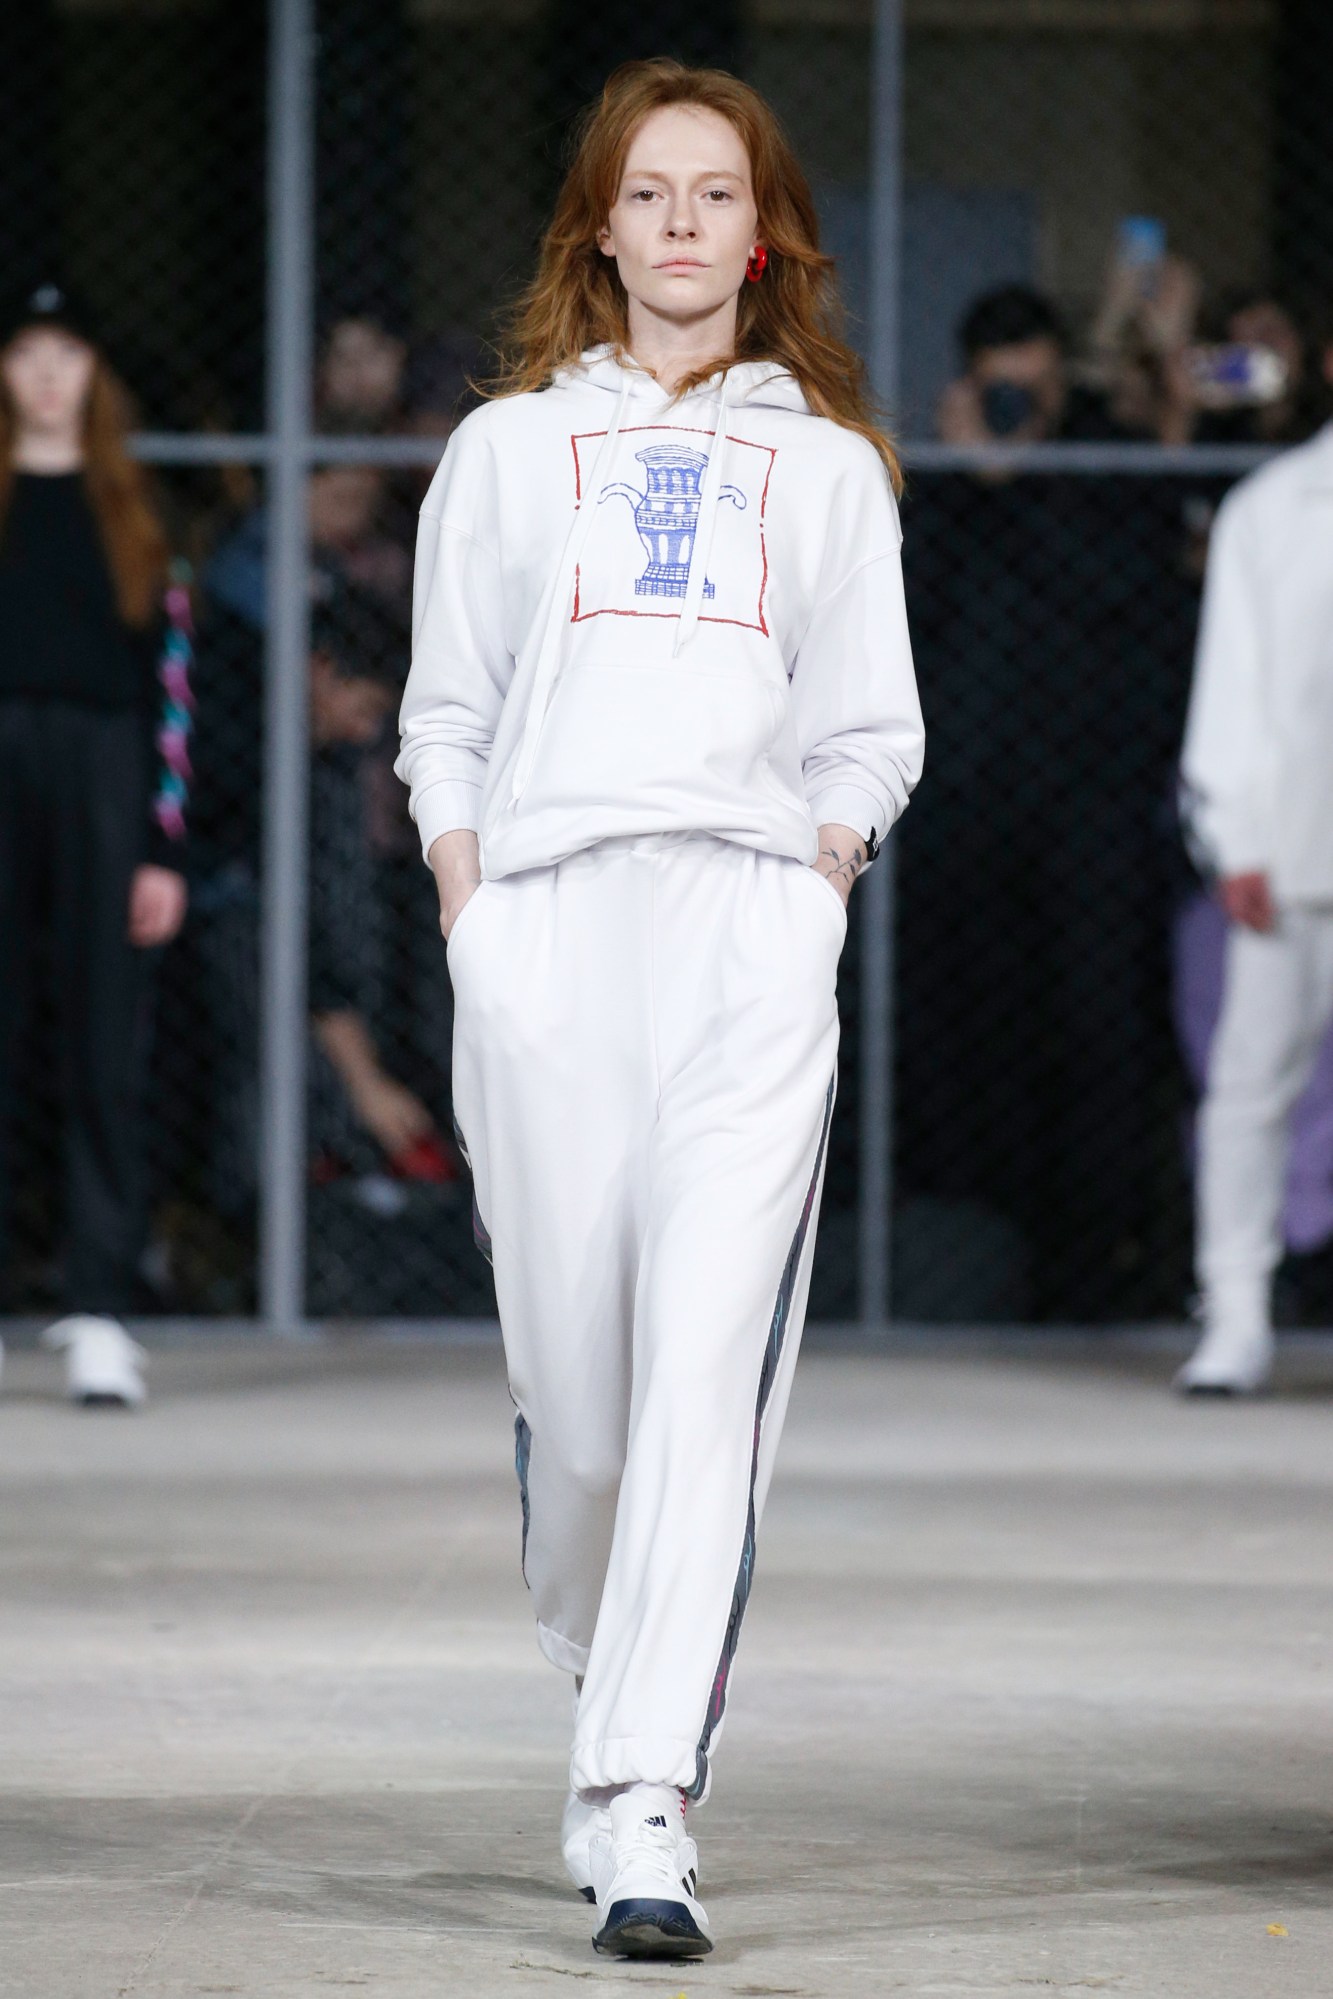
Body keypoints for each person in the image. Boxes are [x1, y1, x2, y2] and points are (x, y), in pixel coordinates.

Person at [395, 58, 922, 1959]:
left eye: (714, 192)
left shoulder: (830, 468)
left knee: (706, 1365)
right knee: (586, 1415)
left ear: (758, 231)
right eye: (648, 192)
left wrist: (814, 887)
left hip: (742, 938)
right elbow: (444, 710)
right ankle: (600, 1665)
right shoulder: (506, 452)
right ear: (599, 229)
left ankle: (642, 1799)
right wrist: (473, 905)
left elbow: (867, 726)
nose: (682, 221)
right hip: (546, 935)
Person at [0, 281, 193, 1406]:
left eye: (66, 353)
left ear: (92, 374)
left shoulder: (136, 510)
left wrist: (162, 846)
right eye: (26, 352)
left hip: (105, 774)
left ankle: (100, 1304)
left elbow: (172, 688)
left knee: (103, 1038)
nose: (45, 374)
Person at [1176, 323, 1333, 1394]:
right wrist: (1230, 832)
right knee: (1246, 1088)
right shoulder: (1270, 508)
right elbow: (1229, 681)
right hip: (1292, 852)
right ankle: (1232, 1317)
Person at [189, 586, 447, 1226]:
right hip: (243, 978)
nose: (367, 731)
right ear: (320, 669)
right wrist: (364, 1082)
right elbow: (301, 933)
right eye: (363, 708)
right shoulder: (243, 757)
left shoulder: (332, 768)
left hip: (320, 991)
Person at [936, 283, 1136, 448]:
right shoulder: (956, 450)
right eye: (1008, 392)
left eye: (1039, 389)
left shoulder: (1104, 435)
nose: (1028, 408)